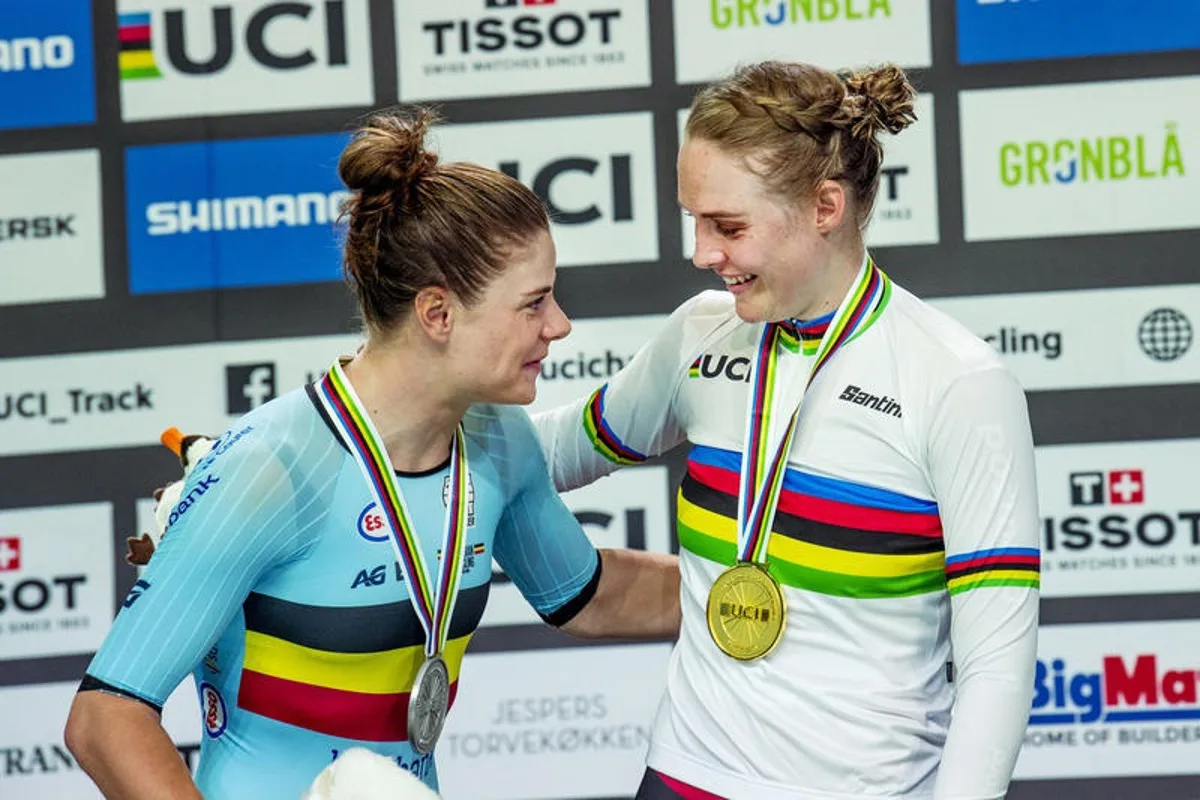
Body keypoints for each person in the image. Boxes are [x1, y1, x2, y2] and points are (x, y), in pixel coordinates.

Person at [64, 108, 680, 800]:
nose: (559, 325)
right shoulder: (271, 469)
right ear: (438, 314)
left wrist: (774, 593)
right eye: (533, 304)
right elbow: (105, 717)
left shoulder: (496, 438)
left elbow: (591, 596)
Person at [531, 61, 1040, 799]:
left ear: (825, 205)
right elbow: (548, 454)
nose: (701, 252)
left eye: (727, 226)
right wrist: (403, 407)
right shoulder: (699, 336)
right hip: (683, 775)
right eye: (694, 219)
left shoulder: (959, 382)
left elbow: (996, 662)